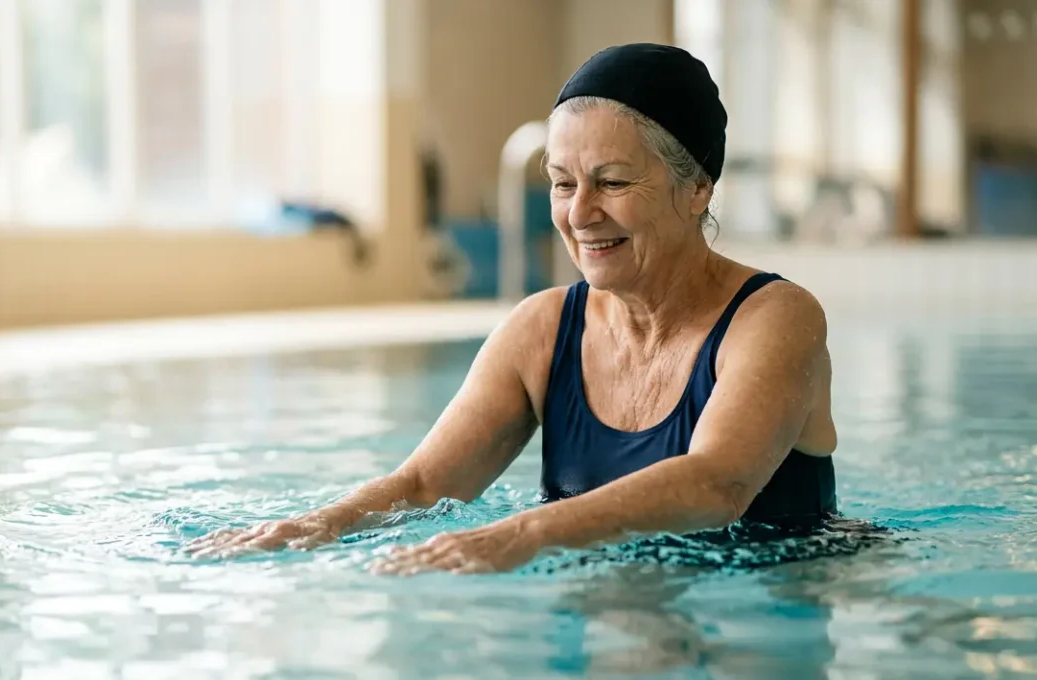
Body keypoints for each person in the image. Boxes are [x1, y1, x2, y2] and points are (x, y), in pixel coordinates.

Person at [185, 43, 838, 575]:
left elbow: (717, 486)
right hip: (617, 605)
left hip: (771, 606)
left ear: (697, 187)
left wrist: (524, 533)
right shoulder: (542, 330)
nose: (579, 214)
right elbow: (422, 485)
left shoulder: (775, 319)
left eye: (611, 182)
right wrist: (320, 522)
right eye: (561, 183)